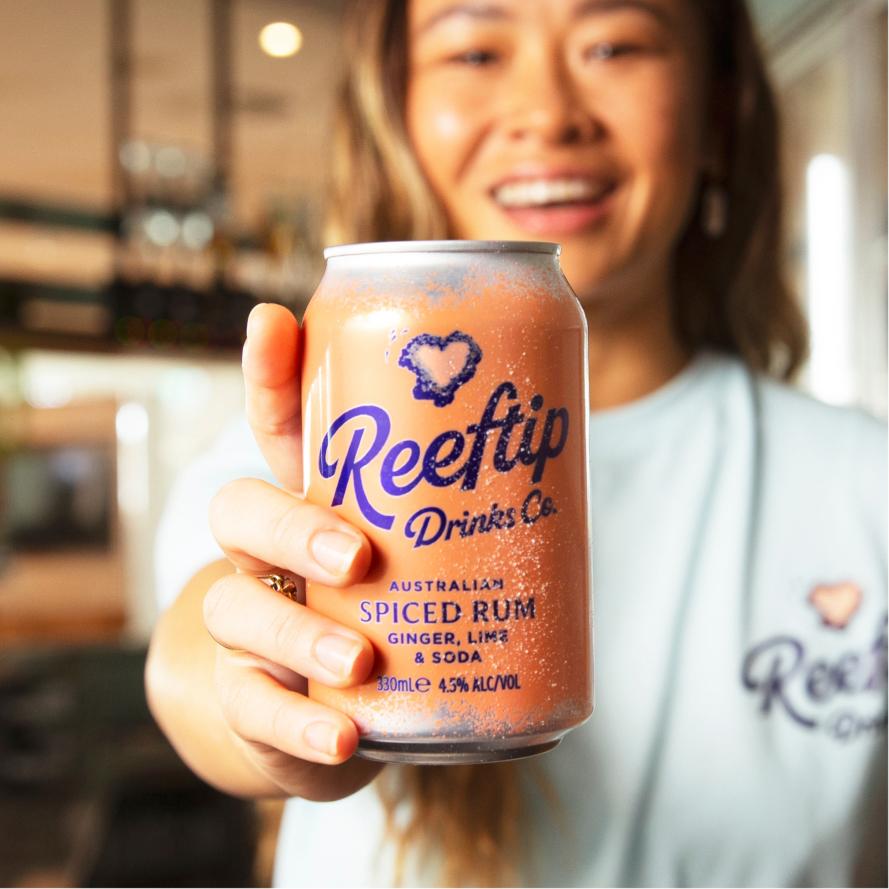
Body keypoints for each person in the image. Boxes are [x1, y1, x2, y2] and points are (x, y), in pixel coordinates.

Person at [146, 0, 888, 885]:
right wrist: (272, 705)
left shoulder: (865, 481)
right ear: (397, 111)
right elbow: (191, 656)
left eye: (613, 45)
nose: (546, 111)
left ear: (718, 108)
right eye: (474, 52)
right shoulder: (306, 448)